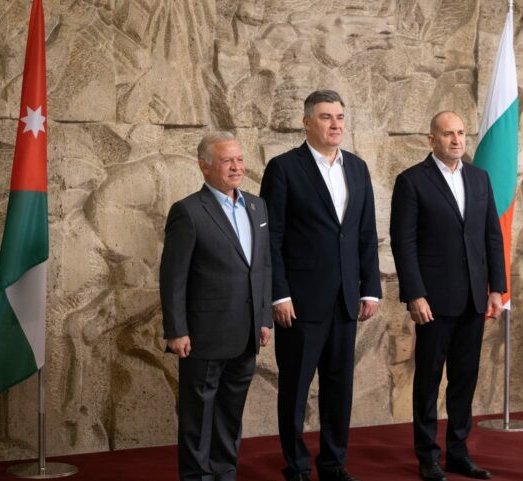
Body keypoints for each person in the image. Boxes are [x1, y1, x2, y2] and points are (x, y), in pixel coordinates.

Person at [260, 90, 381, 481]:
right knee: (295, 389)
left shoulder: (357, 168)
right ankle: (296, 465)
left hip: (346, 299)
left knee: (338, 388)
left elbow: (365, 233)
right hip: (299, 302)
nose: (335, 124)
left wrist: (370, 288)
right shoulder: (283, 168)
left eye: (340, 117)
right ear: (307, 122)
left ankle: (333, 463)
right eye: (327, 117)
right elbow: (271, 238)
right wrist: (279, 293)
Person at [390, 111, 506, 481]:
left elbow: (492, 236)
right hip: (433, 302)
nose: (456, 140)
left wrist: (497, 288)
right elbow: (404, 243)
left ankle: (458, 453)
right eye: (447, 134)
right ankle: (428, 456)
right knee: (427, 381)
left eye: (460, 133)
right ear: (432, 139)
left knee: (464, 380)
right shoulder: (412, 181)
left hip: (474, 298)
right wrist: (415, 295)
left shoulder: (479, 178)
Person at [160, 131, 272, 481]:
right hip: (204, 335)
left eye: (239, 159)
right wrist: (176, 330)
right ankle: (196, 477)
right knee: (198, 415)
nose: (237, 167)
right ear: (204, 166)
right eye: (227, 161)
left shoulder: (257, 205)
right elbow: (173, 276)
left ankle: (225, 473)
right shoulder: (188, 211)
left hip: (247, 331)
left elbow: (264, 266)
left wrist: (264, 318)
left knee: (230, 414)